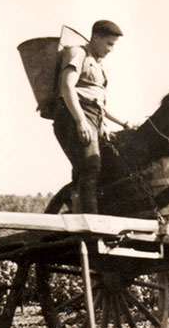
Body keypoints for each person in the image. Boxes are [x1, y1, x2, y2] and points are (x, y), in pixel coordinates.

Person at [52, 19, 129, 213]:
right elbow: (67, 87)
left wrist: (121, 123)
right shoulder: (78, 53)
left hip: (93, 116)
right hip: (75, 114)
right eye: (109, 44)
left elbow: (99, 105)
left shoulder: (99, 64)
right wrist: (80, 121)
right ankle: (90, 225)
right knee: (90, 168)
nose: (111, 49)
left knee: (87, 171)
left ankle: (79, 215)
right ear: (96, 37)